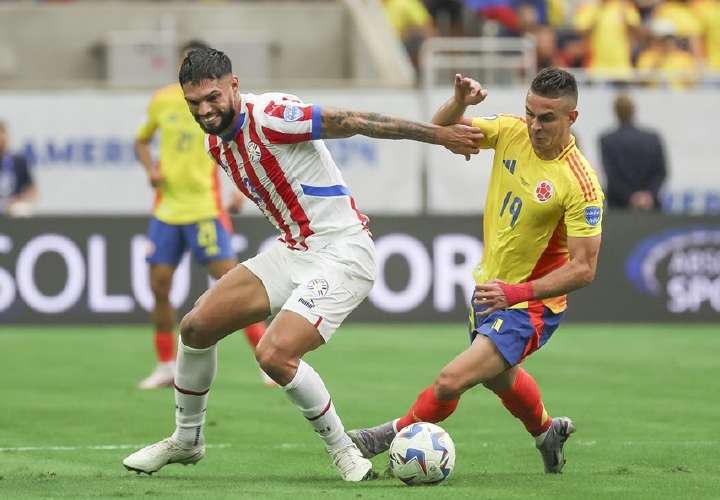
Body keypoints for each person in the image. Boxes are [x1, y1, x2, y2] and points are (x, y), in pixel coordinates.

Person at [122, 47, 483, 481]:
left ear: (234, 85)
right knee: (196, 327)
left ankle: (345, 451)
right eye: (194, 103)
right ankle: (186, 440)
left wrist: (439, 134)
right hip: (294, 249)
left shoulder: (272, 114)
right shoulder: (214, 142)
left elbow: (353, 121)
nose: (205, 110)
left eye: (213, 98)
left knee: (274, 354)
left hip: (344, 251)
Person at [348, 68, 604, 474]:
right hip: (488, 291)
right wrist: (460, 103)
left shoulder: (581, 184)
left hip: (531, 305)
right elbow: (437, 129)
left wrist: (516, 295)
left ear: (572, 118)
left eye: (547, 118)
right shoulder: (510, 131)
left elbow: (584, 268)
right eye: (530, 113)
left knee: (452, 380)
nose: (534, 125)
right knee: (499, 379)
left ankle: (384, 436)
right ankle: (546, 432)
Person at [134, 40, 268, 390]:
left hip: (206, 210)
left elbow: (238, 143)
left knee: (233, 288)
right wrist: (150, 169)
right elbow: (142, 140)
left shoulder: (216, 103)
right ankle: (165, 365)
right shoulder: (163, 100)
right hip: (166, 211)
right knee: (159, 287)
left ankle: (266, 359)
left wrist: (238, 191)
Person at [599, 94, 667, 211]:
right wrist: (648, 195)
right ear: (634, 110)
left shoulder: (607, 140)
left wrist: (631, 197)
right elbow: (660, 172)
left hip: (620, 208)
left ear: (615, 112)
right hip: (651, 208)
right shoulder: (652, 138)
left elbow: (612, 175)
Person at [0, 120, 36, 217]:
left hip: (13, 204)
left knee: (22, 209)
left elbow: (33, 190)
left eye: (2, 133)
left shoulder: (18, 161)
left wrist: (21, 198)